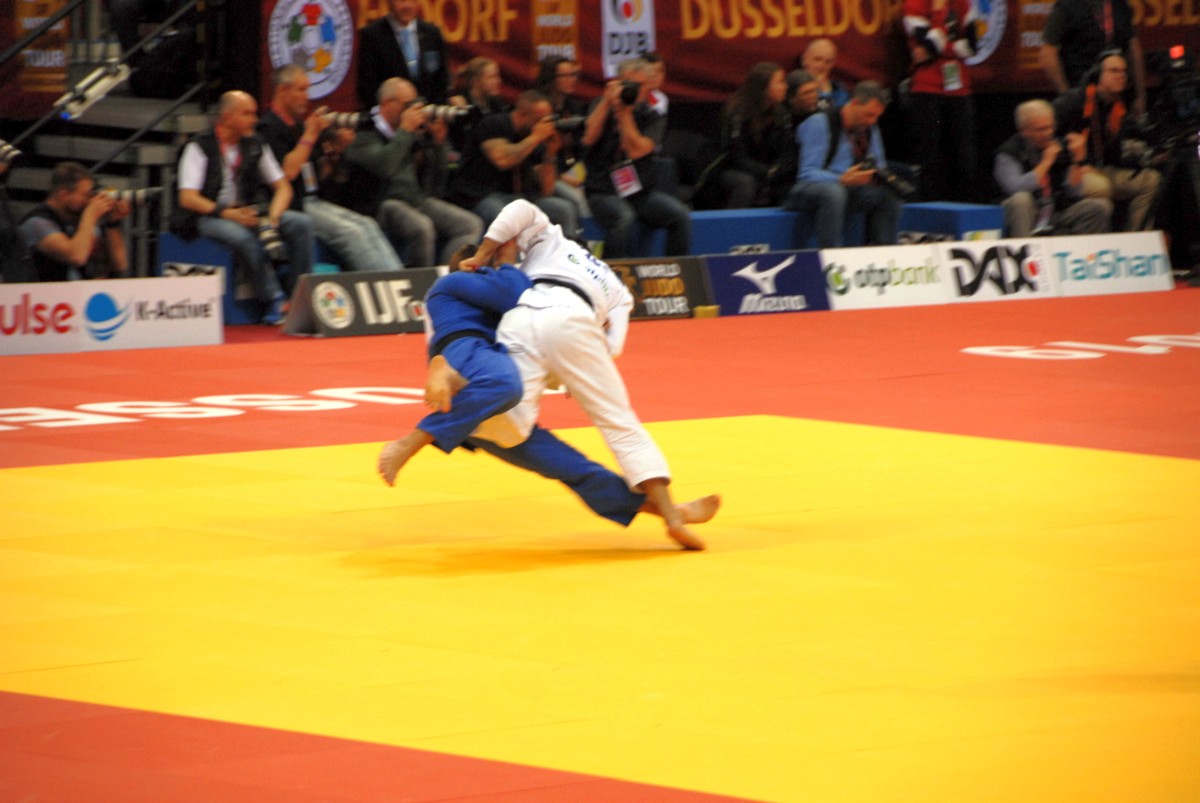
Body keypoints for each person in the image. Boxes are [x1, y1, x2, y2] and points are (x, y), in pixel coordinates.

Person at [377, 243, 720, 546]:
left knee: (577, 469)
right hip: (473, 368)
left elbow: (535, 345)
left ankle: (671, 514)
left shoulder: (495, 308)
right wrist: (507, 262)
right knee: (504, 384)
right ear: (475, 269)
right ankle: (415, 435)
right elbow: (516, 290)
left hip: (486, 414)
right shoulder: (453, 286)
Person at [455, 198, 708, 549]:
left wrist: (484, 253)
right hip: (576, 322)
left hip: (523, 319)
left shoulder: (553, 241)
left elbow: (519, 208)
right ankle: (671, 514)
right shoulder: (619, 292)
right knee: (620, 422)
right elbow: (613, 346)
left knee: (503, 423)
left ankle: (449, 422)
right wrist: (580, 372)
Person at [172, 90, 314, 325]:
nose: (254, 120)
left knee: (301, 224)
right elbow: (188, 198)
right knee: (241, 237)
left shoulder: (255, 143)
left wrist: (272, 219)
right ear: (227, 117)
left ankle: (299, 296)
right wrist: (225, 212)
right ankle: (274, 298)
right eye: (247, 114)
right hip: (207, 215)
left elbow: (283, 188)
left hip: (247, 211)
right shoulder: (199, 146)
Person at [258, 65, 402, 272]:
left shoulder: (299, 126)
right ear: (282, 90)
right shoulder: (268, 127)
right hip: (293, 205)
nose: (306, 96)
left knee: (367, 224)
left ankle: (399, 277)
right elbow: (287, 173)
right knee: (351, 232)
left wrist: (335, 152)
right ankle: (383, 280)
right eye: (301, 90)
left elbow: (320, 175)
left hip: (314, 199)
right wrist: (310, 135)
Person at [344, 78, 482, 268]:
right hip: (381, 202)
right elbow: (385, 167)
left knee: (470, 224)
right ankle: (421, 280)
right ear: (387, 104)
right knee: (422, 227)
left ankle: (447, 277)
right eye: (407, 104)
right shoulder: (364, 130)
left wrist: (438, 144)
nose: (413, 110)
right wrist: (405, 131)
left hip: (414, 199)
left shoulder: (410, 133)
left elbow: (437, 183)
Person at [581, 57, 691, 258]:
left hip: (639, 194)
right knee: (625, 218)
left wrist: (625, 113)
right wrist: (607, 102)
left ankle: (676, 269)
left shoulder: (652, 116)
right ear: (617, 82)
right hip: (603, 192)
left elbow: (637, 150)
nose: (635, 90)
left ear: (648, 86)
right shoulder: (600, 105)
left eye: (640, 85)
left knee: (680, 215)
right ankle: (613, 272)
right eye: (629, 84)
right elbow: (588, 138)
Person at [785, 81, 903, 248]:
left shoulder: (870, 129)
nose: (872, 121)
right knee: (833, 192)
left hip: (849, 189)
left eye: (877, 117)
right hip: (806, 189)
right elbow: (807, 172)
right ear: (854, 103)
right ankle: (831, 255)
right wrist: (841, 179)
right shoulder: (820, 123)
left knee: (888, 195)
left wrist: (874, 176)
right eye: (869, 115)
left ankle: (884, 252)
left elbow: (880, 165)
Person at [1051, 50, 1159, 231]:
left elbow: (1114, 151)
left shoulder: (1117, 106)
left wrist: (1141, 158)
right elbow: (1047, 137)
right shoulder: (1073, 101)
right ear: (1097, 75)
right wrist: (1077, 161)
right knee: (1102, 186)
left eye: (1123, 71)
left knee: (1151, 180)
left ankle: (1137, 239)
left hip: (1102, 169)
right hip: (1071, 173)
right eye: (1114, 71)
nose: (1121, 76)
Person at [446, 90, 579, 235]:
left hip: (518, 197)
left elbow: (547, 190)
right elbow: (502, 160)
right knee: (508, 218)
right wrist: (536, 137)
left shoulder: (533, 136)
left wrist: (550, 153)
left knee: (562, 209)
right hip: (480, 195)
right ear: (523, 114)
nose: (546, 125)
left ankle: (568, 249)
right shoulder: (494, 123)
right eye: (541, 119)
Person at [993, 99, 1112, 236]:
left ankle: (1077, 249)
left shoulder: (1058, 146)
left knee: (1100, 206)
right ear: (1024, 131)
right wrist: (1046, 162)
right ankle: (1025, 247)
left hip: (1054, 211)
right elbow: (1015, 188)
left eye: (1050, 127)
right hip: (1025, 213)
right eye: (1041, 129)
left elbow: (1074, 192)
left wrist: (1077, 160)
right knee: (1021, 199)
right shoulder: (1008, 153)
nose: (1048, 133)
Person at [902, 0, 980, 202]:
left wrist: (939, 48)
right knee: (929, 155)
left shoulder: (963, 4)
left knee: (964, 156)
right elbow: (932, 46)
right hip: (927, 89)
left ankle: (965, 206)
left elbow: (973, 47)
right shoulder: (913, 5)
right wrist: (938, 11)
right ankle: (928, 206)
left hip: (959, 89)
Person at [19, 161, 131, 282]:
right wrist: (91, 213)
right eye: (85, 195)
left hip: (75, 292)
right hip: (43, 292)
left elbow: (120, 265)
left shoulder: (81, 221)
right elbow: (76, 256)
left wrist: (112, 223)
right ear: (63, 194)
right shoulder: (36, 223)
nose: (88, 200)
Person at [1039, 0, 1146, 114]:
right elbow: (1048, 54)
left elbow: (1133, 49)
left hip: (1117, 97)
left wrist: (1140, 95)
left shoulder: (1120, 5)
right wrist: (1067, 96)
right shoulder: (1068, 6)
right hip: (1080, 92)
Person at [715, 62, 796, 208]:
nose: (785, 86)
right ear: (764, 88)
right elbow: (736, 156)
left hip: (766, 168)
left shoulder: (782, 112)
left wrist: (779, 169)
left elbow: (787, 149)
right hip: (729, 169)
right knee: (746, 183)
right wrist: (768, 172)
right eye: (780, 82)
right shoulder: (737, 112)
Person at [355, 0, 450, 110]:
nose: (407, 6)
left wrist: (434, 112)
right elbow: (367, 86)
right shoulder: (372, 36)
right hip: (392, 115)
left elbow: (441, 80)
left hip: (429, 113)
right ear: (389, 2)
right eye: (401, 1)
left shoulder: (432, 33)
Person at [533, 55, 591, 219]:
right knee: (578, 200)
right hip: (546, 172)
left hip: (574, 170)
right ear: (551, 78)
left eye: (573, 75)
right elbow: (536, 155)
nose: (571, 80)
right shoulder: (539, 108)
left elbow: (583, 146)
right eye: (565, 76)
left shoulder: (574, 107)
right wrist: (562, 177)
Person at [801, 38, 850, 110]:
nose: (821, 65)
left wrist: (825, 91)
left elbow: (835, 112)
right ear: (805, 59)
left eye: (828, 62)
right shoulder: (793, 86)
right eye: (817, 59)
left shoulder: (838, 89)